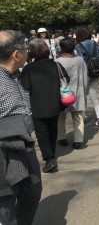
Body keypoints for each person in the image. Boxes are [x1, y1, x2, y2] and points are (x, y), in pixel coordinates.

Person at [0, 30, 42, 225]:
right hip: (4, 148)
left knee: (33, 191)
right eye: (26, 48)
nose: (29, 51)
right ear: (16, 55)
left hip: (25, 144)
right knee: (5, 203)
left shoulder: (16, 74)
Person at [21, 39, 69, 173]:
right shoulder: (56, 65)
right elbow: (66, 79)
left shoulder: (28, 68)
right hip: (55, 102)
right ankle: (51, 154)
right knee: (53, 129)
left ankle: (49, 159)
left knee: (42, 133)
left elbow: (25, 86)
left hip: (37, 105)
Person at [55, 38, 89, 150]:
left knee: (61, 116)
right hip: (78, 91)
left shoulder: (57, 61)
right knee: (78, 116)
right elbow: (85, 76)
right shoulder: (80, 60)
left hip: (63, 93)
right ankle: (78, 140)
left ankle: (61, 137)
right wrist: (85, 91)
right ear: (73, 47)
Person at [75, 27, 99, 128]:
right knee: (94, 95)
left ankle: (82, 118)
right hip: (96, 71)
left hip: (85, 73)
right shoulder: (94, 43)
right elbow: (98, 57)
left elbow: (80, 61)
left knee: (83, 96)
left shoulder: (79, 46)